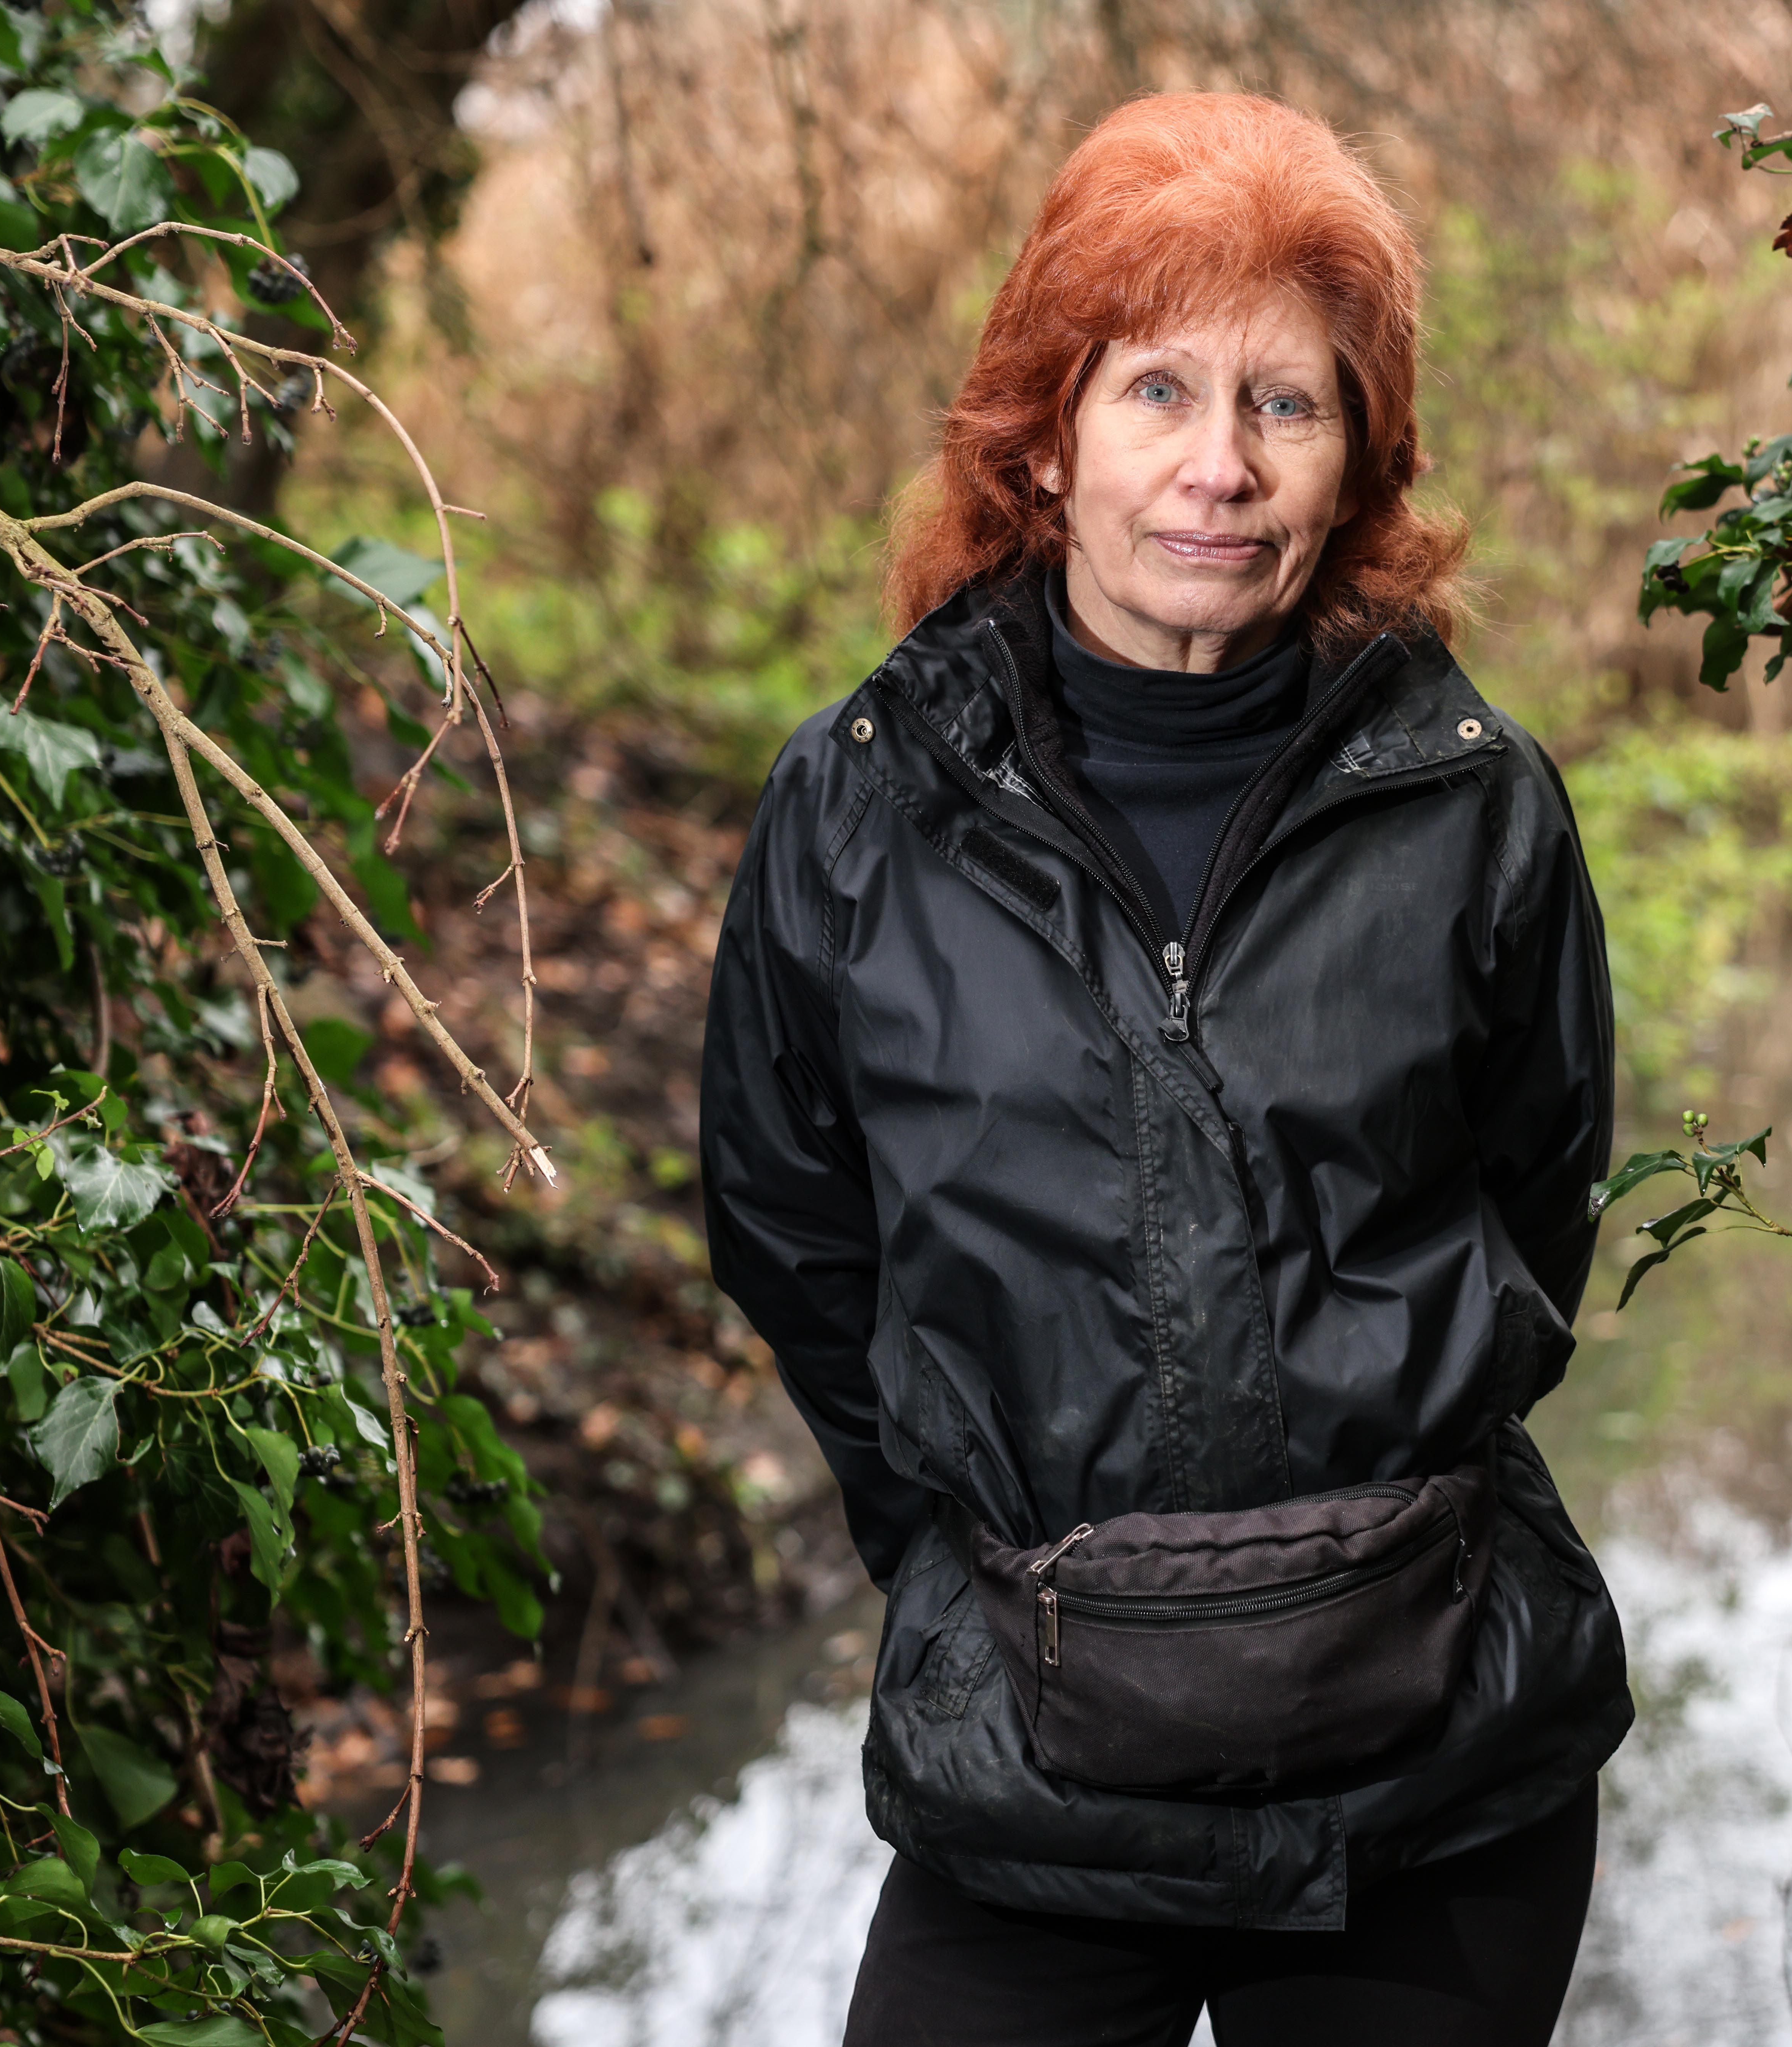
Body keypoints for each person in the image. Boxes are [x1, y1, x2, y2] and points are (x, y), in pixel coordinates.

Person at [700, 91, 1627, 2047]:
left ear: (1355, 457)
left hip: (1435, 1779)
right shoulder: (860, 806)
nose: (1219, 469)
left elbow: (1538, 1202)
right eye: (1157, 395)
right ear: (1045, 438)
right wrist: (977, 1550)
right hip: (1026, 1779)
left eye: (1285, 408)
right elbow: (791, 1226)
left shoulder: (1472, 808)